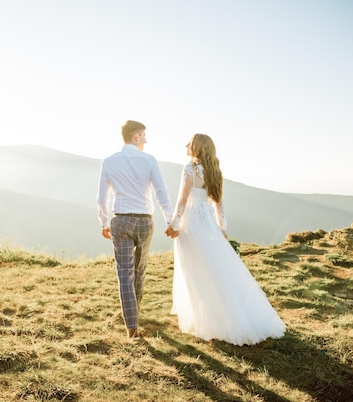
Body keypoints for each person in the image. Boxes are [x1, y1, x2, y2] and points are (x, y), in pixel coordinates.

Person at [169, 134, 285, 345]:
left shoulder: (189, 168)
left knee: (194, 272)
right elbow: (218, 205)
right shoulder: (215, 171)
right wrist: (222, 228)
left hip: (192, 223)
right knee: (215, 270)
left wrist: (174, 225)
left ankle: (206, 321)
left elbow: (182, 201)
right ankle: (220, 318)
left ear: (197, 147)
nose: (185, 145)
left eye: (189, 142)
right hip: (209, 224)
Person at [97, 120, 177, 340]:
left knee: (125, 273)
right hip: (144, 221)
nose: (146, 140)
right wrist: (171, 221)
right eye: (144, 136)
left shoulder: (109, 162)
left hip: (120, 221)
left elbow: (101, 198)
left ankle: (131, 327)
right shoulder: (149, 160)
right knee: (139, 270)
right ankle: (134, 315)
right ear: (136, 137)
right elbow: (162, 192)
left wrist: (104, 223)